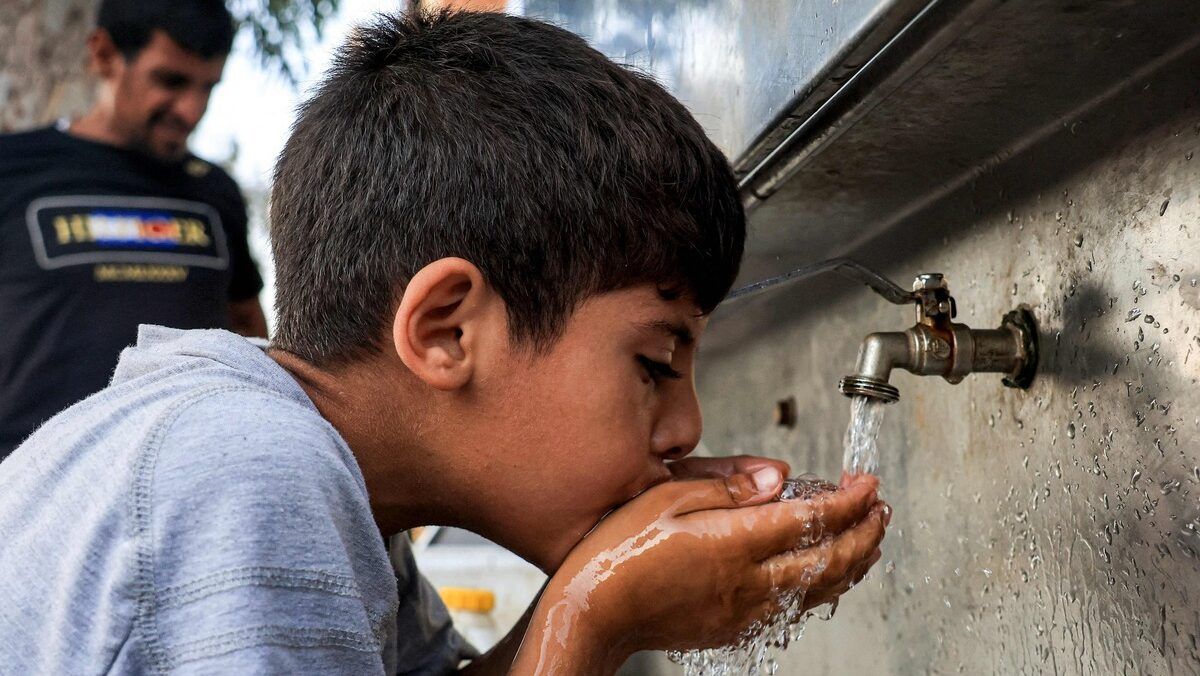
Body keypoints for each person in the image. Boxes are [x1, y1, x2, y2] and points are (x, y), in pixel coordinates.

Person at [0, 10, 888, 675]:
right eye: (654, 363)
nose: (685, 427)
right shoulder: (248, 471)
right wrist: (588, 617)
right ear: (446, 330)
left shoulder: (344, 496)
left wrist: (614, 593)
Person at [0, 0, 266, 458]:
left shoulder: (214, 191)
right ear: (104, 55)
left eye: (209, 87)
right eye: (171, 81)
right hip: (29, 493)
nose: (191, 109)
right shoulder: (12, 170)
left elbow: (245, 325)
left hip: (194, 478)